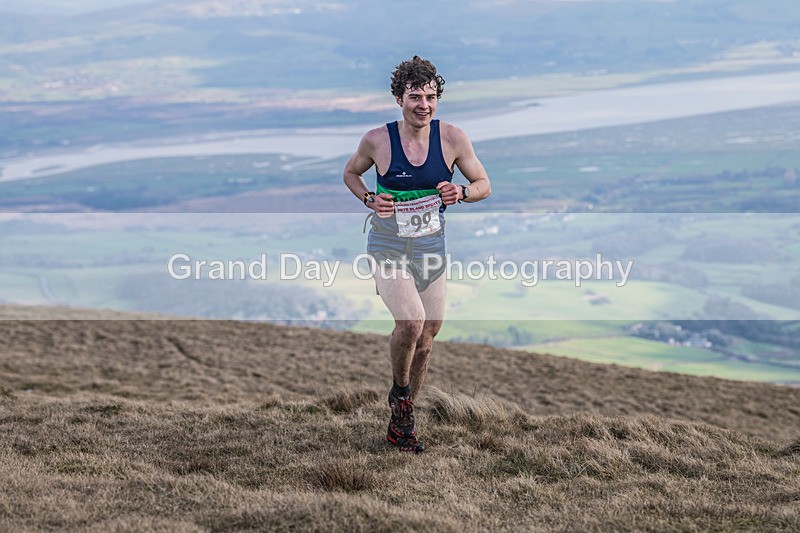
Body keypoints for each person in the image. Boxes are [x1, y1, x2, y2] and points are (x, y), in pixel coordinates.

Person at [342, 56, 491, 453]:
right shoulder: (377, 140)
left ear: (437, 99)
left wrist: (461, 193)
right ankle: (401, 399)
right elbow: (351, 173)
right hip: (388, 244)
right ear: (398, 99)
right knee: (410, 323)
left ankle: (402, 417)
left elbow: (483, 183)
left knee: (427, 337)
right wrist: (370, 199)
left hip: (430, 246)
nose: (423, 104)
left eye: (430, 96)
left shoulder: (454, 139)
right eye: (414, 96)